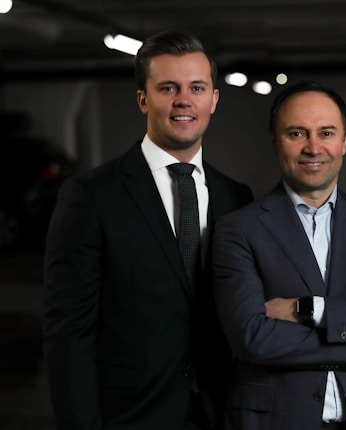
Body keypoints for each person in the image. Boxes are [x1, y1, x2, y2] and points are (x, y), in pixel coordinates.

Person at [42, 30, 253, 430]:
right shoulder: (90, 196)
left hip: (222, 412)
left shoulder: (236, 198)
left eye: (196, 87)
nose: (183, 100)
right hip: (132, 416)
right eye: (167, 88)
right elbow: (68, 334)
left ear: (214, 99)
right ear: (143, 99)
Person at [211, 80, 346, 430]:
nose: (314, 147)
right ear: (274, 142)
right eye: (297, 134)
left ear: (344, 142)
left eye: (326, 133)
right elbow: (252, 336)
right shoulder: (238, 228)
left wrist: (307, 309)